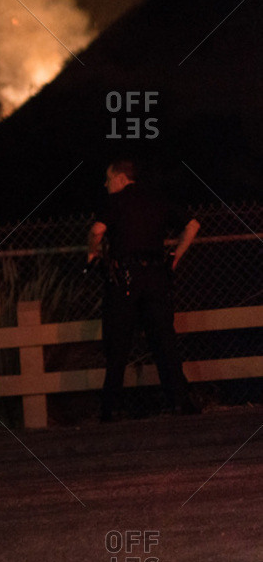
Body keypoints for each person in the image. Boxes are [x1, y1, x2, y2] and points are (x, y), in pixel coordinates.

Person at [86, 160, 201, 421]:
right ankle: (179, 401)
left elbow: (97, 230)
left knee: (117, 344)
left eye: (108, 178)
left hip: (125, 279)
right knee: (164, 341)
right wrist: (175, 256)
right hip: (157, 276)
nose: (105, 184)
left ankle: (112, 408)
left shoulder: (116, 202)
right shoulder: (156, 199)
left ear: (121, 178)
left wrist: (92, 253)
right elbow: (193, 225)